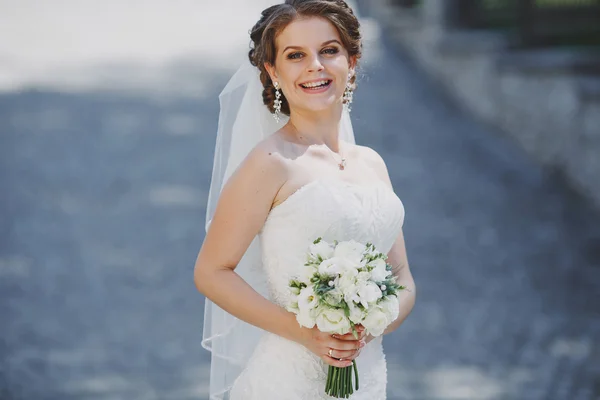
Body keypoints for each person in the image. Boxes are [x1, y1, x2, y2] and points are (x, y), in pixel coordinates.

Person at [194, 1, 416, 399]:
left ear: (352, 61)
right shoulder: (270, 163)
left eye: (328, 51)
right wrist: (308, 334)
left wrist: (369, 322)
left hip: (367, 377)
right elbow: (211, 271)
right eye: (296, 55)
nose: (315, 65)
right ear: (273, 72)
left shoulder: (373, 164)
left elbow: (403, 280)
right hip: (289, 382)